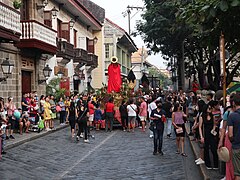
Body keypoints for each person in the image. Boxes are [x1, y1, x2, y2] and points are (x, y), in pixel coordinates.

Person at [218, 93, 235, 180]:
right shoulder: (228, 113)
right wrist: (221, 141)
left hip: (230, 138)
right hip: (230, 138)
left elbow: (223, 128)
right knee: (229, 159)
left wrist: (221, 141)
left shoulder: (228, 113)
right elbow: (223, 128)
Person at [199, 104, 218, 170]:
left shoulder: (212, 116)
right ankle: (208, 164)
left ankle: (216, 164)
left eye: (210, 108)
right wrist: (201, 136)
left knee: (214, 149)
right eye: (209, 108)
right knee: (206, 149)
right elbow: (200, 127)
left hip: (211, 134)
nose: (210, 109)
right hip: (205, 134)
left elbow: (214, 124)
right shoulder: (202, 117)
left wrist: (213, 129)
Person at [227, 93, 240, 179]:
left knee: (238, 174)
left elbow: (230, 134)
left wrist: (233, 140)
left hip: (237, 146)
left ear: (233, 103)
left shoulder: (232, 116)